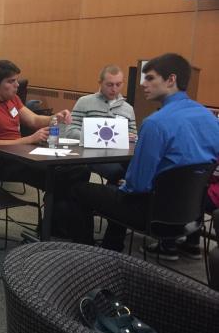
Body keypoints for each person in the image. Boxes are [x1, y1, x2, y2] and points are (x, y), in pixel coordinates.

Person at [70, 53, 219, 259]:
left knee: (79, 188)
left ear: (171, 80)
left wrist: (128, 184)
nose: (142, 84)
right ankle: (111, 248)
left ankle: (91, 255)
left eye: (149, 78)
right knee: (119, 182)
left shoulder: (155, 124)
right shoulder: (210, 119)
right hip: (191, 213)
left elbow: (137, 186)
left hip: (152, 212)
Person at [0, 60, 87, 206]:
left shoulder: (12, 99)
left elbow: (34, 120)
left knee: (79, 170)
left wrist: (56, 117)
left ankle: (60, 214)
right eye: (11, 81)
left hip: (23, 153)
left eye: (16, 80)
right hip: (4, 162)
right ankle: (56, 216)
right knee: (63, 176)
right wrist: (30, 139)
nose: (17, 85)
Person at [64, 65, 137, 184]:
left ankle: (117, 192)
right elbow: (70, 131)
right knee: (117, 172)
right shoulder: (85, 102)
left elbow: (134, 137)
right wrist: (94, 138)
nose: (114, 89)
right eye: (110, 84)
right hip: (92, 154)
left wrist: (130, 137)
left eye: (118, 84)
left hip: (118, 155)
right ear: (100, 83)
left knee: (136, 169)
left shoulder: (128, 109)